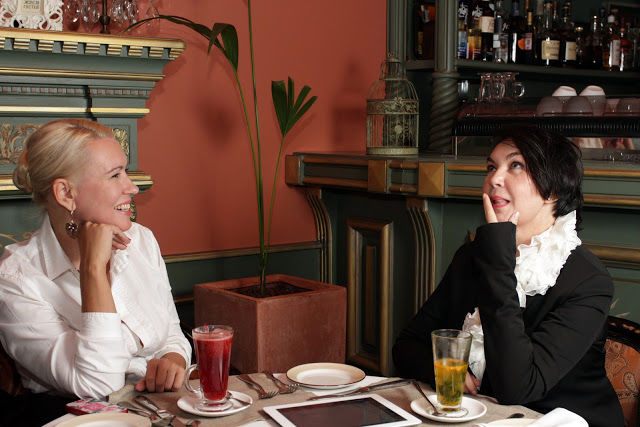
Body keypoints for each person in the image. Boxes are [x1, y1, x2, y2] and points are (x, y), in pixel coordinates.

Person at [392, 125, 623, 427]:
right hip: (485, 417)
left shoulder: (588, 281)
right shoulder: (471, 257)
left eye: (516, 165)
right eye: (491, 167)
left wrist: (499, 264)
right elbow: (407, 345)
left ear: (553, 188)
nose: (494, 179)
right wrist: (447, 370)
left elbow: (517, 388)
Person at [0, 119, 191, 401]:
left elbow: (171, 331)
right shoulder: (15, 279)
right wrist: (93, 269)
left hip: (155, 406)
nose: (132, 187)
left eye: (125, 171)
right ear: (66, 193)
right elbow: (98, 384)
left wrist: (173, 359)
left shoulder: (141, 240)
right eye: (115, 175)